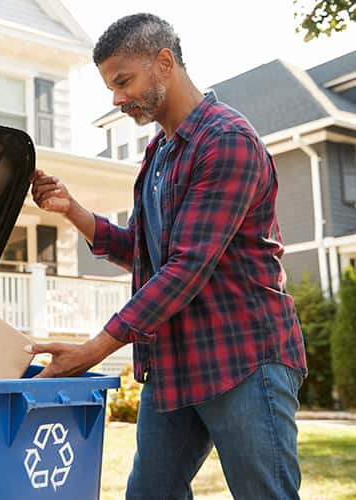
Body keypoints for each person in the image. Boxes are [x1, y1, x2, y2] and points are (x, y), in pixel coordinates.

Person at [26, 13, 307, 499]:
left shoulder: (226, 140)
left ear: (163, 63)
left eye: (123, 81)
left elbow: (186, 269)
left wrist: (92, 353)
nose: (116, 98)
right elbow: (144, 253)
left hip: (243, 357)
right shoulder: (158, 154)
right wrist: (71, 209)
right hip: (176, 364)